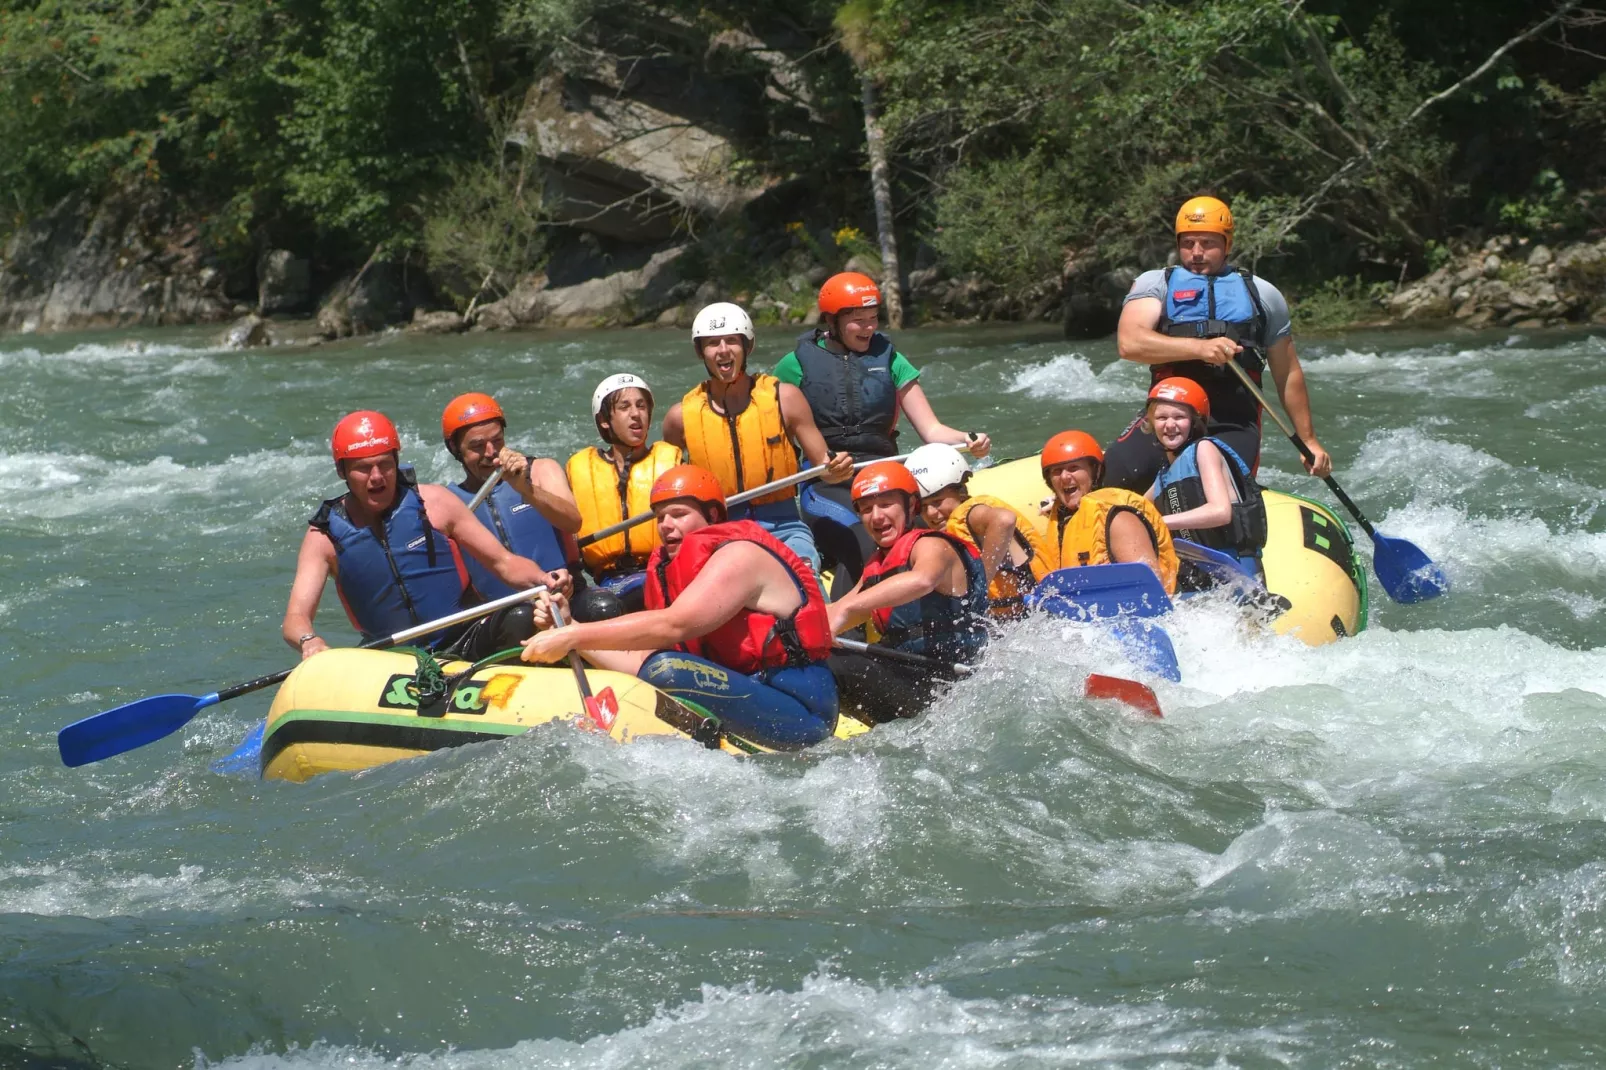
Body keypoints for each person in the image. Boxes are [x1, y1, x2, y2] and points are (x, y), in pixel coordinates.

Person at [519, 465, 838, 751]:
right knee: (662, 667)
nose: (665, 526)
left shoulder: (741, 556)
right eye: (660, 518)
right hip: (747, 694)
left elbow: (675, 626)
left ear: (712, 517)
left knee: (667, 670)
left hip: (802, 713)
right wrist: (568, 625)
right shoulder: (672, 573)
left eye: (678, 514)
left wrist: (575, 636)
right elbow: (643, 661)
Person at [773, 271, 992, 595]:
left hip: (886, 476)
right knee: (864, 541)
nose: (868, 327)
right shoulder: (794, 366)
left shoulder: (891, 359)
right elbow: (775, 438)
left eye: (873, 318)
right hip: (826, 481)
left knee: (928, 539)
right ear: (832, 321)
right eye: (857, 320)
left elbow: (931, 429)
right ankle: (848, 637)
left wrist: (967, 440)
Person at [282, 410, 564, 661]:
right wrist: (310, 641)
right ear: (341, 471)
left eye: (385, 464)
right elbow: (295, 618)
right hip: (389, 657)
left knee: (520, 616)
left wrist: (542, 579)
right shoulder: (324, 536)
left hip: (463, 639)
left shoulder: (436, 503)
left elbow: (504, 562)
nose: (377, 476)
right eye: (364, 468)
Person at [1106, 195, 1331, 493]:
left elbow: (1287, 372)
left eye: (1207, 243)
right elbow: (1130, 343)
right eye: (1187, 244)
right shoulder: (1156, 283)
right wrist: (1200, 349)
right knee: (1116, 475)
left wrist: (1309, 440)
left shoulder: (1262, 295)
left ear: (1227, 244)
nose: (1196, 253)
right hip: (1168, 416)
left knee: (1208, 491)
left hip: (1233, 420)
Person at [662, 302, 853, 572]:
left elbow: (826, 468)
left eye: (732, 341)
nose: (723, 350)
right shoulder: (678, 418)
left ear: (747, 347)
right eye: (713, 343)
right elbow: (668, 496)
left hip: (783, 526)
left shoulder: (785, 399)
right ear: (701, 352)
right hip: (717, 531)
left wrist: (838, 470)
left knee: (804, 575)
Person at [825, 461, 989, 723]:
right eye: (867, 509)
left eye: (886, 504)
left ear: (911, 506)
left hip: (950, 684)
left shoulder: (932, 545)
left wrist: (846, 609)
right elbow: (839, 611)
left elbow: (922, 580)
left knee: (834, 664)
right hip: (906, 677)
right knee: (818, 655)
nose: (876, 516)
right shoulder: (877, 565)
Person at [442, 392, 581, 601]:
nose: (491, 452)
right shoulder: (448, 502)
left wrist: (525, 488)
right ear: (455, 448)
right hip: (501, 613)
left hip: (563, 593)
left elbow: (573, 523)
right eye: (478, 446)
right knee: (519, 619)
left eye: (497, 440)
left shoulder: (542, 470)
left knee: (603, 606)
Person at [566, 373, 683, 613]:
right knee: (603, 606)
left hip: (662, 569)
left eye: (641, 406)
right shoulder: (579, 468)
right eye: (624, 407)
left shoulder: (671, 461)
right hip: (608, 582)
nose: (636, 413)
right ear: (605, 420)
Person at [905, 442, 1051, 620]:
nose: (930, 514)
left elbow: (1004, 520)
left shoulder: (970, 513)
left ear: (960, 492)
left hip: (1029, 615)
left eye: (937, 502)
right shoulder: (949, 527)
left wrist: (980, 583)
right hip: (1021, 617)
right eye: (924, 507)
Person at [1143, 378, 1267, 582]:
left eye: (1179, 417)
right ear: (1151, 423)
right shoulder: (1164, 477)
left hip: (1235, 566)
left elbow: (1220, 512)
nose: (1170, 425)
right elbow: (1134, 508)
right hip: (1197, 571)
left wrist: (1158, 522)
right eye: (1161, 417)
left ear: (1195, 420)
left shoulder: (1204, 449)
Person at [1039, 430, 1179, 595]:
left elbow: (1151, 592)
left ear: (1096, 471)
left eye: (1073, 468)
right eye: (1056, 471)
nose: (1064, 477)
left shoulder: (1118, 517)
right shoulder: (1062, 520)